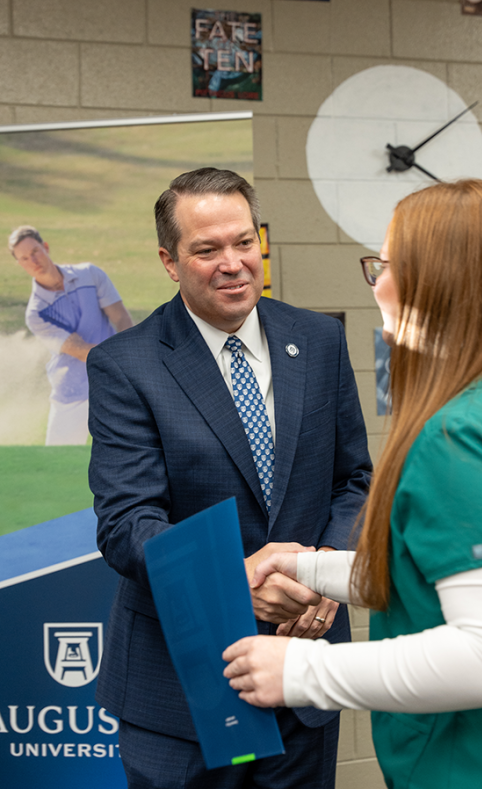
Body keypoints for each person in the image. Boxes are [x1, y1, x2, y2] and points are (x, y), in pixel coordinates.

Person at [223, 179, 482, 789]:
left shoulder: (461, 439)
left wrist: (304, 671)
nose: (377, 283)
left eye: (389, 265)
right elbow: (445, 577)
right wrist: (311, 568)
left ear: (443, 280)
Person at [87, 168, 371, 789]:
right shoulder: (125, 365)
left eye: (244, 242)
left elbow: (354, 479)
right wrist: (232, 582)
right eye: (207, 249)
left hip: (303, 666)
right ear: (169, 261)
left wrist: (324, 573)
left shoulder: (318, 339)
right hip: (182, 689)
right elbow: (127, 523)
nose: (233, 263)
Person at [8, 225, 133, 445]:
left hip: (113, 385)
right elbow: (79, 350)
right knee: (56, 465)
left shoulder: (90, 274)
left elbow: (121, 318)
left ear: (45, 247)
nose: (33, 260)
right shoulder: (36, 313)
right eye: (25, 258)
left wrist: (131, 360)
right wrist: (120, 361)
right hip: (72, 391)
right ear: (20, 264)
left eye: (35, 251)